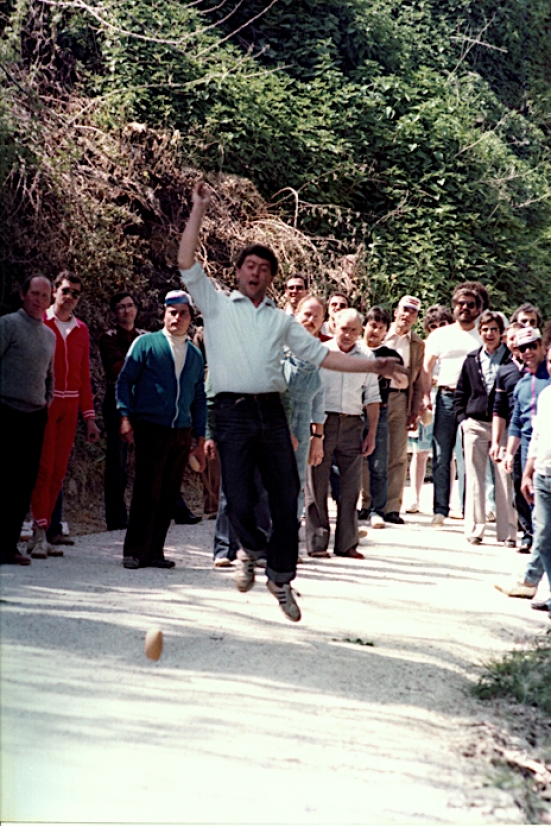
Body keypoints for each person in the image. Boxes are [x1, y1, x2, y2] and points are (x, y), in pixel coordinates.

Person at [177, 181, 406, 621]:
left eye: (264, 268)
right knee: (239, 501)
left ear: (271, 278)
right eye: (249, 266)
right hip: (230, 412)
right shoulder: (217, 305)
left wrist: (374, 367)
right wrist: (198, 209)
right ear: (238, 272)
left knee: (286, 500)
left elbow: (322, 356)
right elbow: (186, 261)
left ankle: (280, 578)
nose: (255, 272)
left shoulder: (282, 322)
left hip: (271, 412)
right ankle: (251, 550)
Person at [116, 290, 207, 569]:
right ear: (164, 314)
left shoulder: (193, 354)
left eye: (184, 313)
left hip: (181, 430)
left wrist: (200, 437)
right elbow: (124, 380)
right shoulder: (146, 344)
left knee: (168, 493)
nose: (178, 318)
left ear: (191, 318)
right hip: (150, 426)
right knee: (146, 489)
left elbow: (199, 397)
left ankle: (156, 551)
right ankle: (134, 551)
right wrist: (124, 416)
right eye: (173, 312)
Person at [27, 272, 100, 558]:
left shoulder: (81, 328)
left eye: (76, 294)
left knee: (57, 472)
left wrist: (89, 417)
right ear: (56, 291)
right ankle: (37, 532)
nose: (70, 298)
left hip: (70, 408)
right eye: (66, 291)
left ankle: (44, 532)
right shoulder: (41, 322)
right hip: (45, 404)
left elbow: (83, 375)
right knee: (42, 469)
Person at [305, 309, 381, 560]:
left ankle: (347, 543)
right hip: (322, 424)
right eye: (343, 329)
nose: (347, 334)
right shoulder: (322, 353)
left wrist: (371, 433)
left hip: (352, 425)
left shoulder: (366, 357)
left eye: (353, 330)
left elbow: (371, 397)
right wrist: (315, 431)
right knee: (316, 484)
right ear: (333, 326)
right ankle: (317, 543)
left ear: (360, 331)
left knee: (351, 487)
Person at [0, 276, 56, 566]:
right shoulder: (8, 324)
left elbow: (50, 375)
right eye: (34, 294)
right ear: (23, 294)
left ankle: (9, 546)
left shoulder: (49, 336)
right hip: (6, 410)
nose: (39, 300)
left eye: (45, 296)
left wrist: (47, 397)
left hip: (35, 416)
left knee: (24, 483)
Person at [423, 284, 483, 527]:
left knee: (471, 455)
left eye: (470, 305)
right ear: (454, 307)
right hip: (446, 397)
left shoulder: (484, 333)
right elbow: (426, 368)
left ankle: (470, 509)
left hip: (475, 401)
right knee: (441, 455)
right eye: (461, 304)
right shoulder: (440, 335)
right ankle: (440, 509)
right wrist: (424, 396)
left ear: (479, 309)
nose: (465, 309)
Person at [454, 311, 516, 545]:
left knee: (504, 478)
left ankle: (508, 531)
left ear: (502, 333)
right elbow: (461, 392)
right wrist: (464, 420)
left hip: (503, 425)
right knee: (474, 478)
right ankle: (475, 529)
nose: (489, 334)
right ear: (479, 332)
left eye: (493, 329)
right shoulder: (472, 359)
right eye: (485, 329)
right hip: (476, 424)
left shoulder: (511, 360)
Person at [99, 291, 146, 530]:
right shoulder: (108, 337)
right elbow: (117, 368)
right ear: (114, 312)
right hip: (117, 399)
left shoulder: (145, 337)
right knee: (117, 459)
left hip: (144, 400)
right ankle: (116, 518)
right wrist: (141, 365)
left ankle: (156, 511)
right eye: (121, 307)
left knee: (150, 455)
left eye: (130, 305)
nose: (126, 311)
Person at [358, 306, 403, 528]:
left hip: (380, 410)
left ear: (386, 331)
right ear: (364, 326)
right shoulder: (353, 350)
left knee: (378, 462)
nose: (374, 331)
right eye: (372, 325)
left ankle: (378, 509)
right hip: (352, 410)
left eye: (380, 327)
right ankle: (357, 507)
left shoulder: (391, 355)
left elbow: (402, 381)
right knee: (350, 463)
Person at [406, 305, 454, 514]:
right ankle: (415, 498)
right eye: (432, 326)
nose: (437, 329)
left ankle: (449, 501)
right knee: (420, 451)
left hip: (447, 401)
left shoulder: (453, 346)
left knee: (447, 455)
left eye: (442, 324)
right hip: (426, 403)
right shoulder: (425, 347)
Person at [283, 295, 326, 522]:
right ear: (296, 315)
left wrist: (317, 436)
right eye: (307, 314)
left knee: (297, 480)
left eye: (316, 316)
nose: (311, 320)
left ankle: (288, 538)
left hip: (304, 420)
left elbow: (320, 398)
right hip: (278, 420)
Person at [383, 295, 425, 524]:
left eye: (413, 312)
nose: (407, 315)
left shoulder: (417, 344)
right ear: (396, 311)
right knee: (370, 451)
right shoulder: (380, 335)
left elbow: (418, 380)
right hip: (375, 397)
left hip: (400, 398)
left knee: (398, 454)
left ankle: (392, 507)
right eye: (404, 310)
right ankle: (368, 503)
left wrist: (414, 411)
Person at [490, 322, 531, 550]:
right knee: (518, 484)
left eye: (524, 342)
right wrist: (497, 442)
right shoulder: (505, 371)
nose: (519, 345)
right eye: (513, 339)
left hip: (540, 433)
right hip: (517, 434)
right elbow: (500, 409)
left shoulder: (541, 370)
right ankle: (526, 533)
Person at [520, 348, 551, 618]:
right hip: (543, 473)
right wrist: (527, 473)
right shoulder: (545, 396)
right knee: (542, 536)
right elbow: (537, 438)